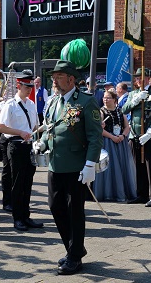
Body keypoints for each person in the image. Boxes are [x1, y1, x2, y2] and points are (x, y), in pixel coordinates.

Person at [34, 60, 103, 275]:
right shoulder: (54, 101)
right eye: (53, 76)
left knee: (75, 212)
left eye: (58, 76)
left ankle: (74, 257)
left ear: (71, 79)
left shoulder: (86, 102)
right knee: (55, 207)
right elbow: (50, 128)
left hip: (76, 167)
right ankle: (75, 248)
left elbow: (95, 137)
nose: (54, 80)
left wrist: (90, 163)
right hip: (55, 164)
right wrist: (42, 142)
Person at [0, 74, 43, 232]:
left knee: (27, 182)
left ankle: (26, 215)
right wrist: (20, 132)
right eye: (26, 86)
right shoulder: (10, 105)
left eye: (31, 87)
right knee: (17, 183)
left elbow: (35, 126)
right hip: (15, 145)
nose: (29, 90)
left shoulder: (31, 104)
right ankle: (17, 218)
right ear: (18, 86)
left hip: (29, 146)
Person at [122, 68, 151, 207]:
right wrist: (135, 100)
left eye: (142, 77)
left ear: (147, 79)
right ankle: (141, 194)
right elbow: (124, 109)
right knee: (138, 166)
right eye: (137, 77)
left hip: (149, 136)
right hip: (135, 134)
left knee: (150, 166)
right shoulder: (133, 93)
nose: (139, 80)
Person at [93, 90, 137, 201]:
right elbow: (99, 129)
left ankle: (122, 191)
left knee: (122, 167)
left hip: (120, 142)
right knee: (109, 168)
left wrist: (122, 136)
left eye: (108, 98)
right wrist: (112, 137)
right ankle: (108, 193)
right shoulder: (101, 112)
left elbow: (127, 127)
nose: (105, 100)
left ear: (114, 100)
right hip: (107, 142)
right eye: (104, 98)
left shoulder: (120, 111)